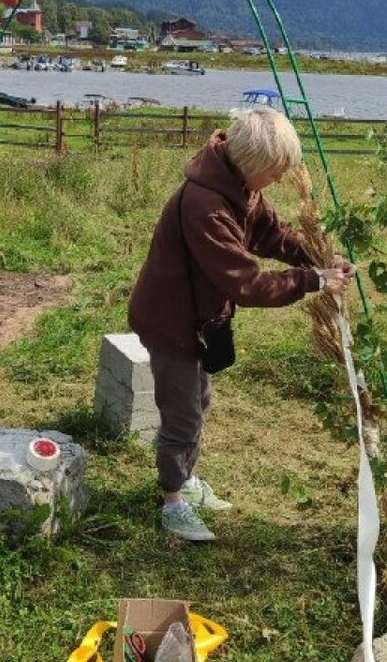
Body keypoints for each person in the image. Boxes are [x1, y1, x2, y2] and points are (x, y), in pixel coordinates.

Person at [128, 107, 353, 542]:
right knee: (182, 417)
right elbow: (246, 283)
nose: (277, 181)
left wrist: (321, 259)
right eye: (274, 174)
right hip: (171, 322)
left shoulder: (238, 187)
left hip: (197, 317)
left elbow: (272, 234)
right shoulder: (205, 206)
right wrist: (313, 282)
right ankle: (172, 504)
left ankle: (187, 481)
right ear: (250, 165)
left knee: (200, 401)